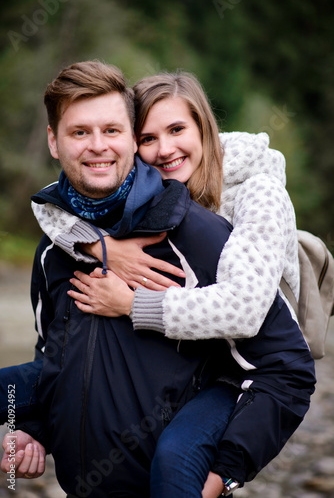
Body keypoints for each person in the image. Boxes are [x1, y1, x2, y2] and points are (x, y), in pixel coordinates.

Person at [0, 63, 315, 498]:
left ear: (203, 129)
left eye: (112, 130)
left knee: (177, 458)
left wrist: (224, 473)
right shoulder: (69, 242)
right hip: (102, 459)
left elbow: (253, 319)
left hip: (234, 371)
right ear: (54, 141)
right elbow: (55, 350)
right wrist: (27, 426)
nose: (163, 149)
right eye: (149, 137)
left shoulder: (237, 206)